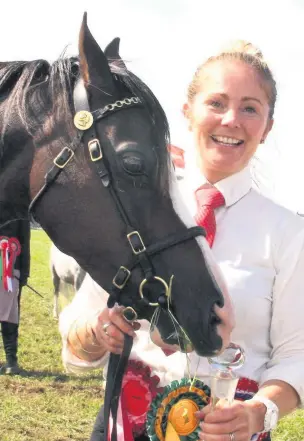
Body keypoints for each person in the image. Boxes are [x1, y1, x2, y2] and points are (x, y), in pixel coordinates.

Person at [59, 40, 304, 441]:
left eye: (250, 108)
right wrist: (97, 334)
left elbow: (296, 357)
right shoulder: (134, 211)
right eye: (217, 103)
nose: (231, 120)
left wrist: (260, 412)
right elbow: (77, 329)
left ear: (268, 126)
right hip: (124, 428)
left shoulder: (290, 235)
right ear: (187, 112)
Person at [0, 219, 30, 374]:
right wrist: (24, 273)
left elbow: (24, 242)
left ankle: (11, 361)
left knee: (11, 315)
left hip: (11, 270)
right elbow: (25, 242)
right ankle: (11, 361)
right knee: (11, 316)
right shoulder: (19, 209)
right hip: (13, 271)